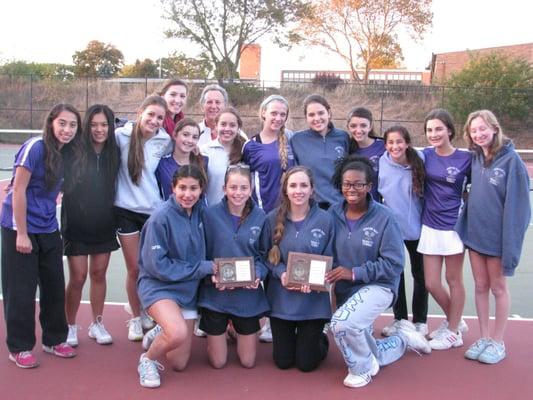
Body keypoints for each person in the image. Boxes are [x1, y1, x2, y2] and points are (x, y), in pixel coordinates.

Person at [327, 155, 431, 388]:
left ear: (369, 187)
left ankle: (362, 368)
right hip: (346, 290)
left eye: (358, 184)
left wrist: (354, 273)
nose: (352, 189)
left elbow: (394, 264)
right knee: (361, 337)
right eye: (347, 184)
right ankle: (402, 339)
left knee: (342, 325)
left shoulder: (385, 218)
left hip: (379, 286)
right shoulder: (332, 215)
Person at [1, 103, 82, 368]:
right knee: (21, 290)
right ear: (51, 123)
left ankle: (54, 339)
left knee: (54, 287)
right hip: (19, 227)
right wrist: (22, 234)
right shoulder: (36, 147)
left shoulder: (67, 153)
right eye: (62, 123)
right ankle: (20, 346)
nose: (67, 129)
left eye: (72, 125)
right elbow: (19, 190)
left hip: (48, 228)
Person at [456, 110, 531, 364]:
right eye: (473, 130)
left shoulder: (512, 162)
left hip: (498, 240)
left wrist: (510, 244)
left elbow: (519, 209)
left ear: (495, 128)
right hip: (476, 236)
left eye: (483, 129)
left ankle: (498, 342)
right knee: (480, 286)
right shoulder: (476, 158)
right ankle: (485, 337)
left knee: (498, 288)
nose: (478, 134)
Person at [136, 165, 215, 388]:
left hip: (188, 289)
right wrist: (203, 269)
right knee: (178, 332)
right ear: (173, 188)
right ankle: (147, 360)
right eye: (182, 188)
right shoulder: (159, 219)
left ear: (201, 190)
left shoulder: (201, 213)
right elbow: (158, 266)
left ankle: (164, 327)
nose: (187, 194)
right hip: (159, 286)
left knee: (179, 363)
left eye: (193, 188)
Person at [198, 164, 270, 368]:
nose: (238, 193)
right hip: (216, 294)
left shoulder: (261, 217)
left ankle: (234, 329)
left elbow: (264, 257)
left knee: (248, 362)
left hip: (246, 296)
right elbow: (200, 254)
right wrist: (210, 274)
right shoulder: (209, 215)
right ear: (224, 189)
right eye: (233, 187)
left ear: (251, 189)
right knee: (218, 363)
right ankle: (224, 329)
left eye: (243, 188)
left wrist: (257, 274)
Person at [263, 166, 332, 372]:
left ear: (312, 189)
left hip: (312, 302)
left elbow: (330, 257)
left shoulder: (326, 219)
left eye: (304, 185)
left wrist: (313, 281)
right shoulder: (272, 218)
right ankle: (297, 340)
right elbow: (266, 257)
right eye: (293, 185)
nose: (298, 190)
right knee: (283, 362)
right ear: (285, 189)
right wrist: (282, 273)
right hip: (281, 299)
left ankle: (319, 339)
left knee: (306, 364)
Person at [63, 104, 120, 347]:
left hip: (104, 222)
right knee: (78, 277)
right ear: (87, 126)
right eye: (94, 124)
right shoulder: (73, 149)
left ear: (110, 127)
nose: (99, 129)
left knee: (98, 274)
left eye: (104, 125)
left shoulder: (115, 152)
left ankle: (97, 323)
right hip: (76, 223)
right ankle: (70, 325)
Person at [114, 95, 171, 341]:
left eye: (160, 117)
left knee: (149, 267)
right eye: (151, 115)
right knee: (134, 267)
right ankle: (136, 319)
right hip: (125, 211)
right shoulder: (121, 137)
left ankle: (147, 311)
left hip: (152, 212)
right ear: (140, 113)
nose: (155, 120)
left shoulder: (164, 140)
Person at [242, 94, 295, 342]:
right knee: (266, 264)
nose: (277, 118)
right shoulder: (250, 146)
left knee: (283, 265)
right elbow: (245, 183)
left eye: (282, 114)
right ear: (263, 113)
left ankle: (279, 320)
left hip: (290, 215)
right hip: (264, 217)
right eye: (273, 113)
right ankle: (259, 319)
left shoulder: (292, 141)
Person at [418, 109, 471, 350]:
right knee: (431, 283)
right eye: (430, 130)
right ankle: (455, 321)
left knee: (453, 279)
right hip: (429, 226)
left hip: (453, 228)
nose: (434, 134)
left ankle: (452, 331)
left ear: (449, 130)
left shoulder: (466, 157)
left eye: (439, 129)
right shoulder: (425, 155)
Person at [378, 126, 429, 336]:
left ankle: (420, 321)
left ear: (407, 143)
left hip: (417, 230)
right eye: (390, 142)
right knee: (396, 275)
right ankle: (400, 319)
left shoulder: (421, 160)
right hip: (392, 231)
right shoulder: (382, 162)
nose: (395, 146)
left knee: (420, 275)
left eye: (399, 142)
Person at [290, 94, 349, 210]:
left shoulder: (343, 137)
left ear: (329, 113)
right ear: (306, 117)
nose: (317, 118)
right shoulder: (297, 140)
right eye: (311, 115)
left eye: (321, 113)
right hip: (311, 209)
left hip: (341, 207)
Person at [200, 108, 246, 206]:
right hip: (212, 212)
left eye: (232, 125)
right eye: (223, 124)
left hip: (239, 213)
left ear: (238, 128)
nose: (227, 129)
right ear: (216, 126)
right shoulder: (205, 151)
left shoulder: (246, 150)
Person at [155, 117, 208, 200]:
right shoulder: (162, 163)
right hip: (170, 211)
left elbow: (203, 195)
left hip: (196, 212)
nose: (190, 140)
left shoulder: (203, 161)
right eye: (185, 135)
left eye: (194, 137)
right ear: (175, 135)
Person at [347, 107, 385, 201]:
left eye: (363, 125)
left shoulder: (383, 146)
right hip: (352, 206)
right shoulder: (346, 148)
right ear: (348, 127)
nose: (358, 130)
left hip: (376, 207)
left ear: (370, 126)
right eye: (353, 126)